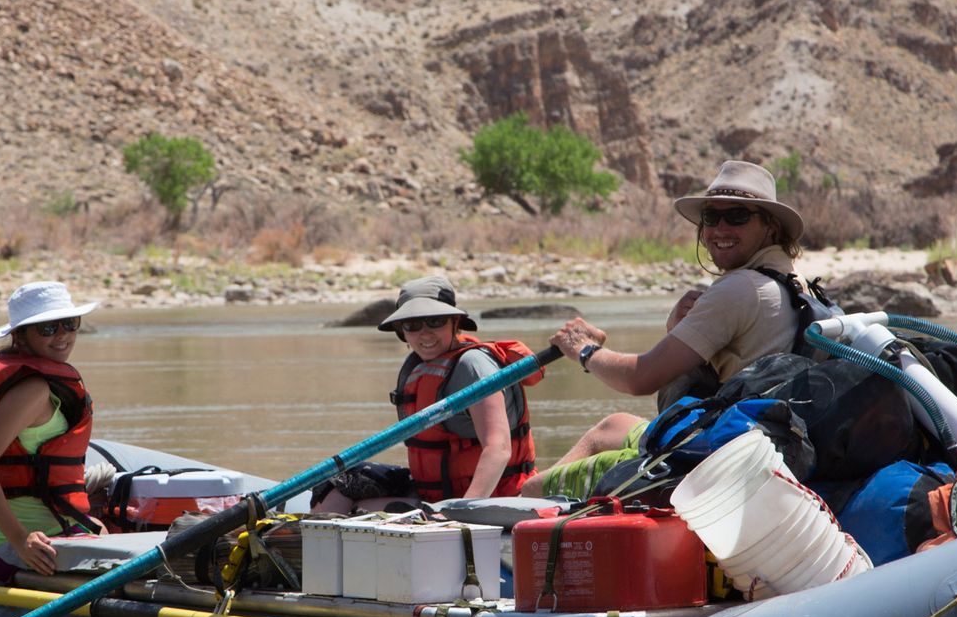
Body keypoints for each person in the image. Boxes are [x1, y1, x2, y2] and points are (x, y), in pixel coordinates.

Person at [528, 160, 807, 496]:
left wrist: (585, 350)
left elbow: (639, 378)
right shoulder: (796, 281)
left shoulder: (740, 289)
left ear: (770, 227)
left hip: (716, 459)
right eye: (710, 217)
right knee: (612, 426)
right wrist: (676, 326)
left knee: (534, 490)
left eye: (737, 216)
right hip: (754, 440)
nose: (719, 229)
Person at [316, 275, 539, 511]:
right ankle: (304, 544)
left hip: (487, 500)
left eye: (435, 321)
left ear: (455, 322)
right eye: (413, 325)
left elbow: (499, 449)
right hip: (435, 494)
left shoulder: (472, 365)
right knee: (338, 484)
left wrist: (461, 512)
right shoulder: (421, 365)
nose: (425, 334)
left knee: (354, 505)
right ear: (402, 332)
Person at [0, 280, 105, 579]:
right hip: (13, 549)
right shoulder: (33, 390)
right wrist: (20, 539)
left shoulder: (22, 379)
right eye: (47, 328)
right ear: (21, 335)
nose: (62, 336)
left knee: (104, 526)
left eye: (69, 324)